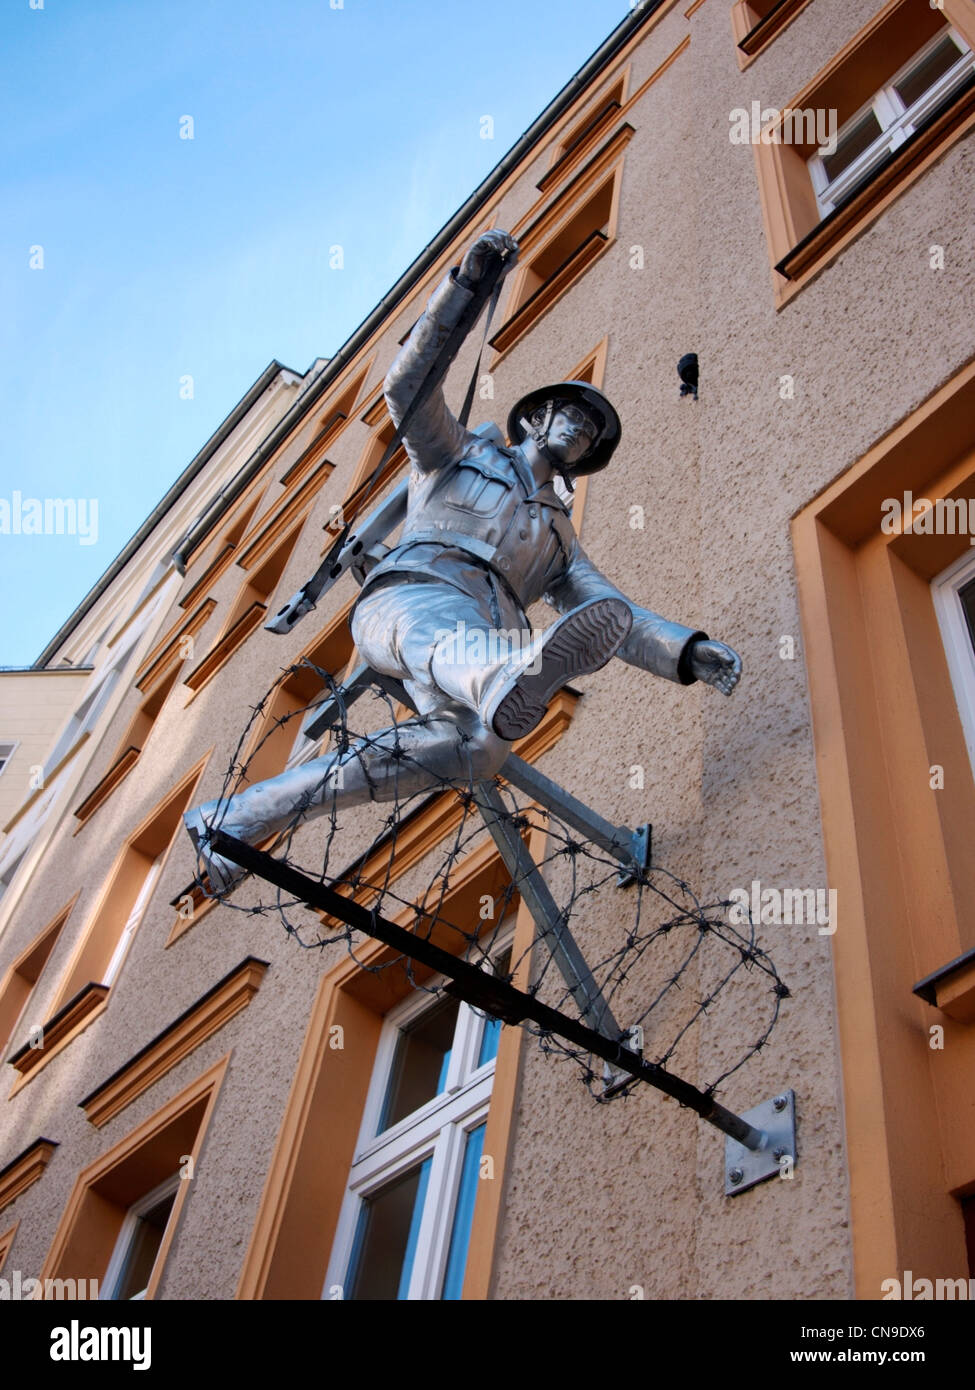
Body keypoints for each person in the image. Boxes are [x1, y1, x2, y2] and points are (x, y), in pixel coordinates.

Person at [184, 230, 741, 893]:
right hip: (411, 599)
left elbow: (609, 613)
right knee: (467, 652)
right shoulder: (459, 453)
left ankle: (237, 816)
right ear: (534, 420)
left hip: (483, 639)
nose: (580, 430)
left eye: (590, 434)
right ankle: (503, 676)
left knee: (476, 748)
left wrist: (686, 652)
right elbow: (406, 388)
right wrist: (465, 288)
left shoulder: (558, 538)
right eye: (571, 415)